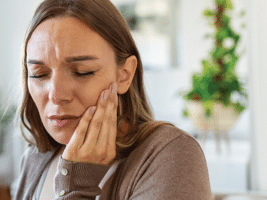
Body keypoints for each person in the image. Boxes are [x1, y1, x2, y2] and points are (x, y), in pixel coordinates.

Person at [12, 0, 212, 199]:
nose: (56, 95)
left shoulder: (170, 155)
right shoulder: (34, 158)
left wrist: (77, 185)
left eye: (82, 72)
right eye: (38, 74)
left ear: (125, 74)